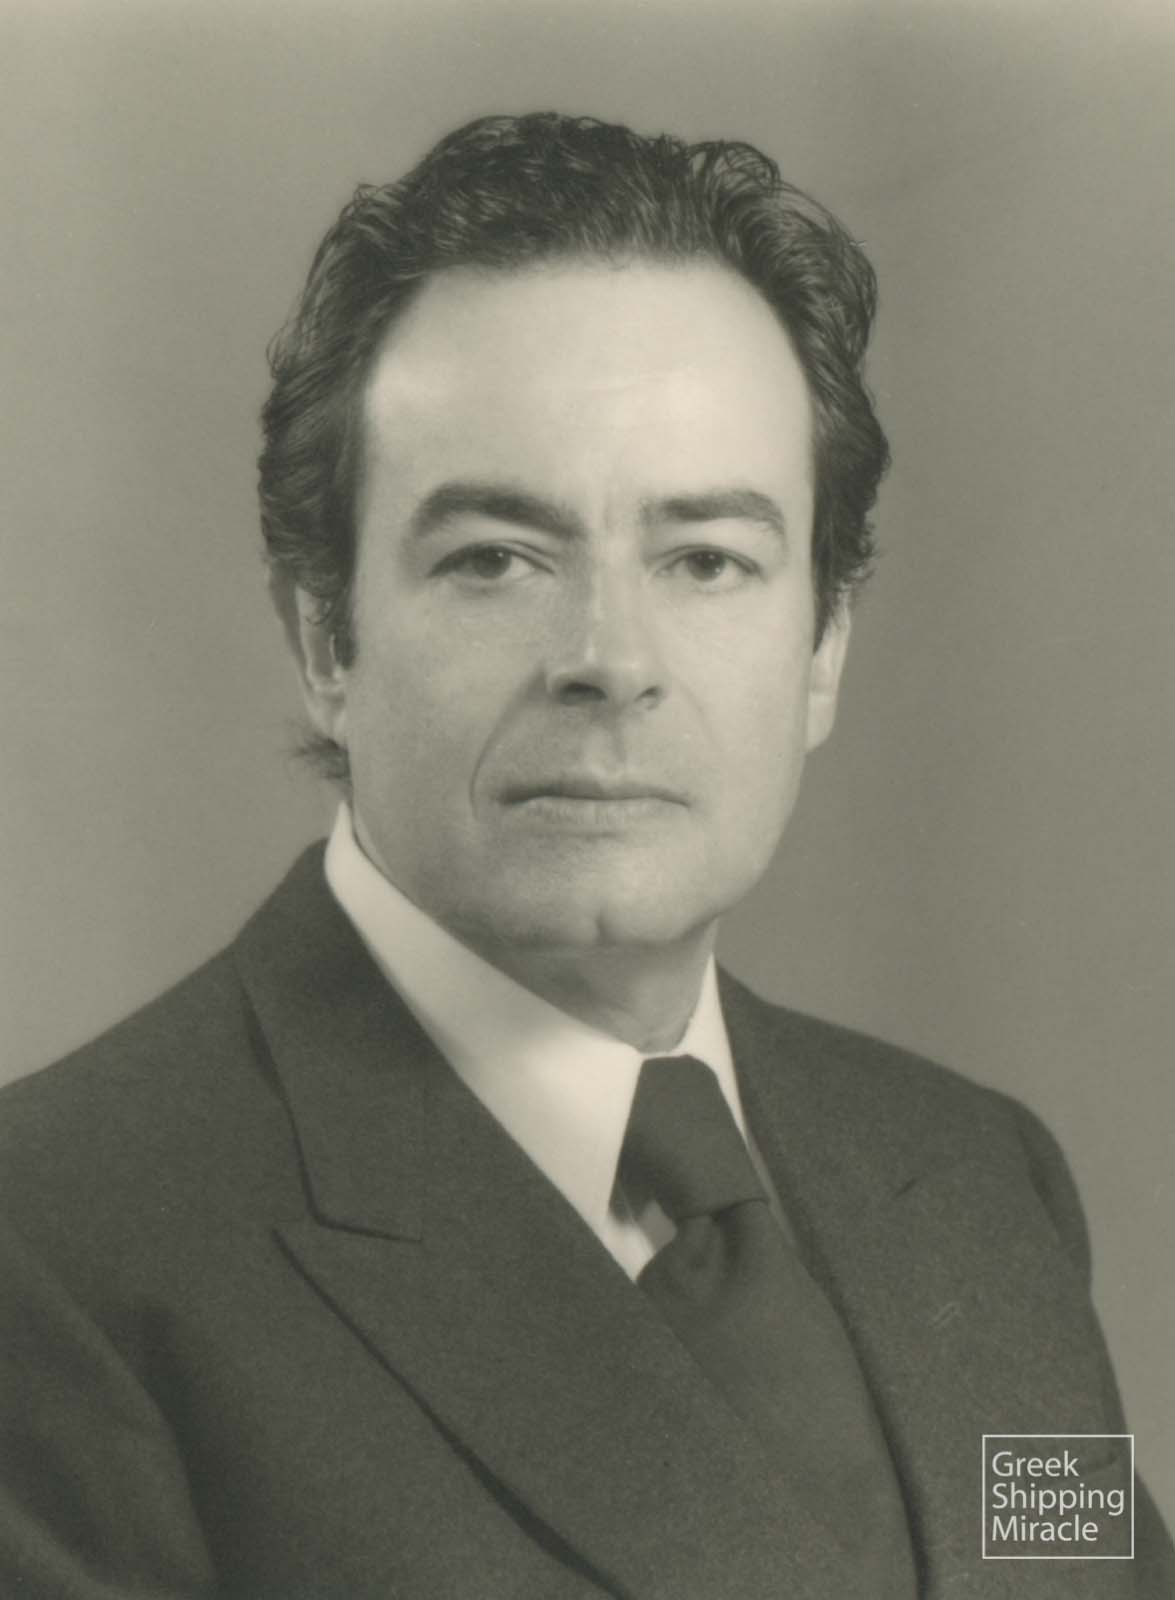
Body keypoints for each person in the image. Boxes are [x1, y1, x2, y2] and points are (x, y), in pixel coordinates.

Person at [0, 112, 1169, 1600]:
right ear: (326, 641)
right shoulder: (52, 1252)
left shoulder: (978, 1183)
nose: (611, 661)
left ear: (822, 647)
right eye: (496, 557)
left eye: (708, 560)